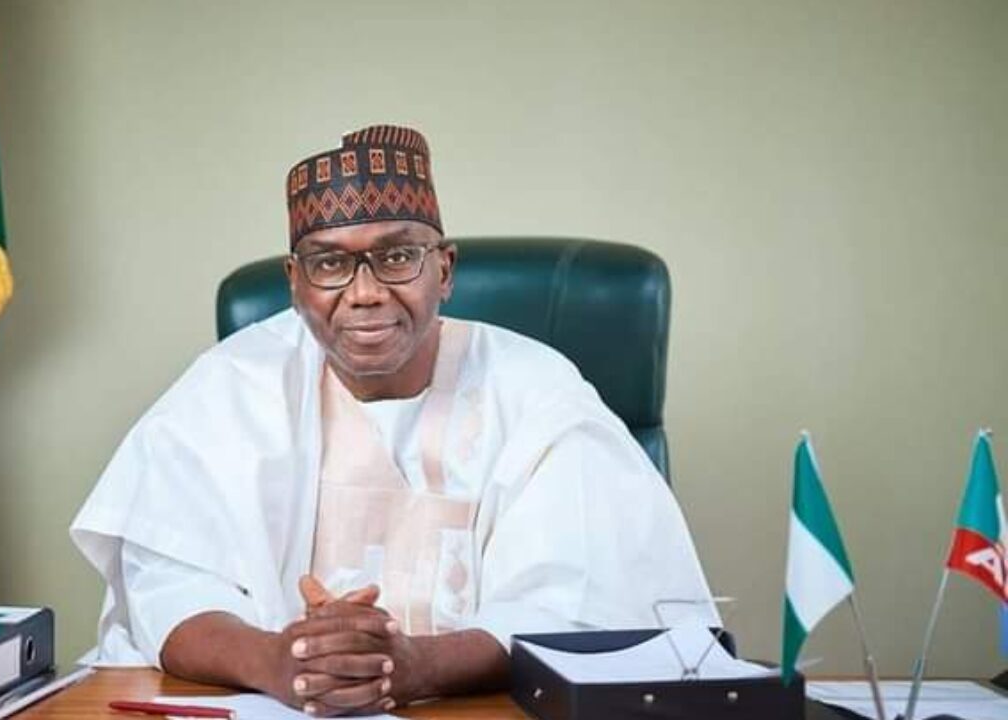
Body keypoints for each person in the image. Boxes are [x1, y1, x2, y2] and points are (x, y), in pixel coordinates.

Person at [70, 125, 717, 716]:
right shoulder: (230, 384)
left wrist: (412, 666)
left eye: (398, 256)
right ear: (295, 283)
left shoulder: (538, 391)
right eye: (329, 263)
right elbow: (168, 587)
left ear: (445, 269)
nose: (366, 292)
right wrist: (278, 660)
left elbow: (577, 608)